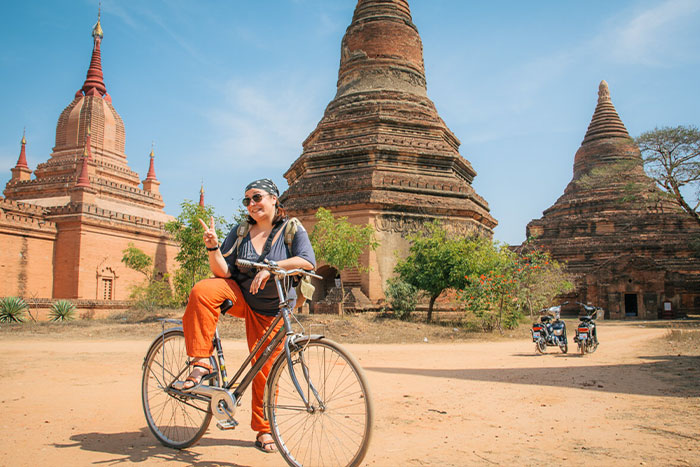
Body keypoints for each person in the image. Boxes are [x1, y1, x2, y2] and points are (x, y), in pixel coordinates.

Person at [179, 178, 316, 453]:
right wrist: (212, 247)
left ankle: (264, 430)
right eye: (247, 201)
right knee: (202, 291)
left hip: (273, 310)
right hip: (241, 297)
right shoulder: (240, 231)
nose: (251, 205)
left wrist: (271, 267)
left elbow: (307, 261)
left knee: (265, 372)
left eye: (257, 198)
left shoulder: (291, 228)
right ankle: (202, 361)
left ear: (274, 199)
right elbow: (224, 272)